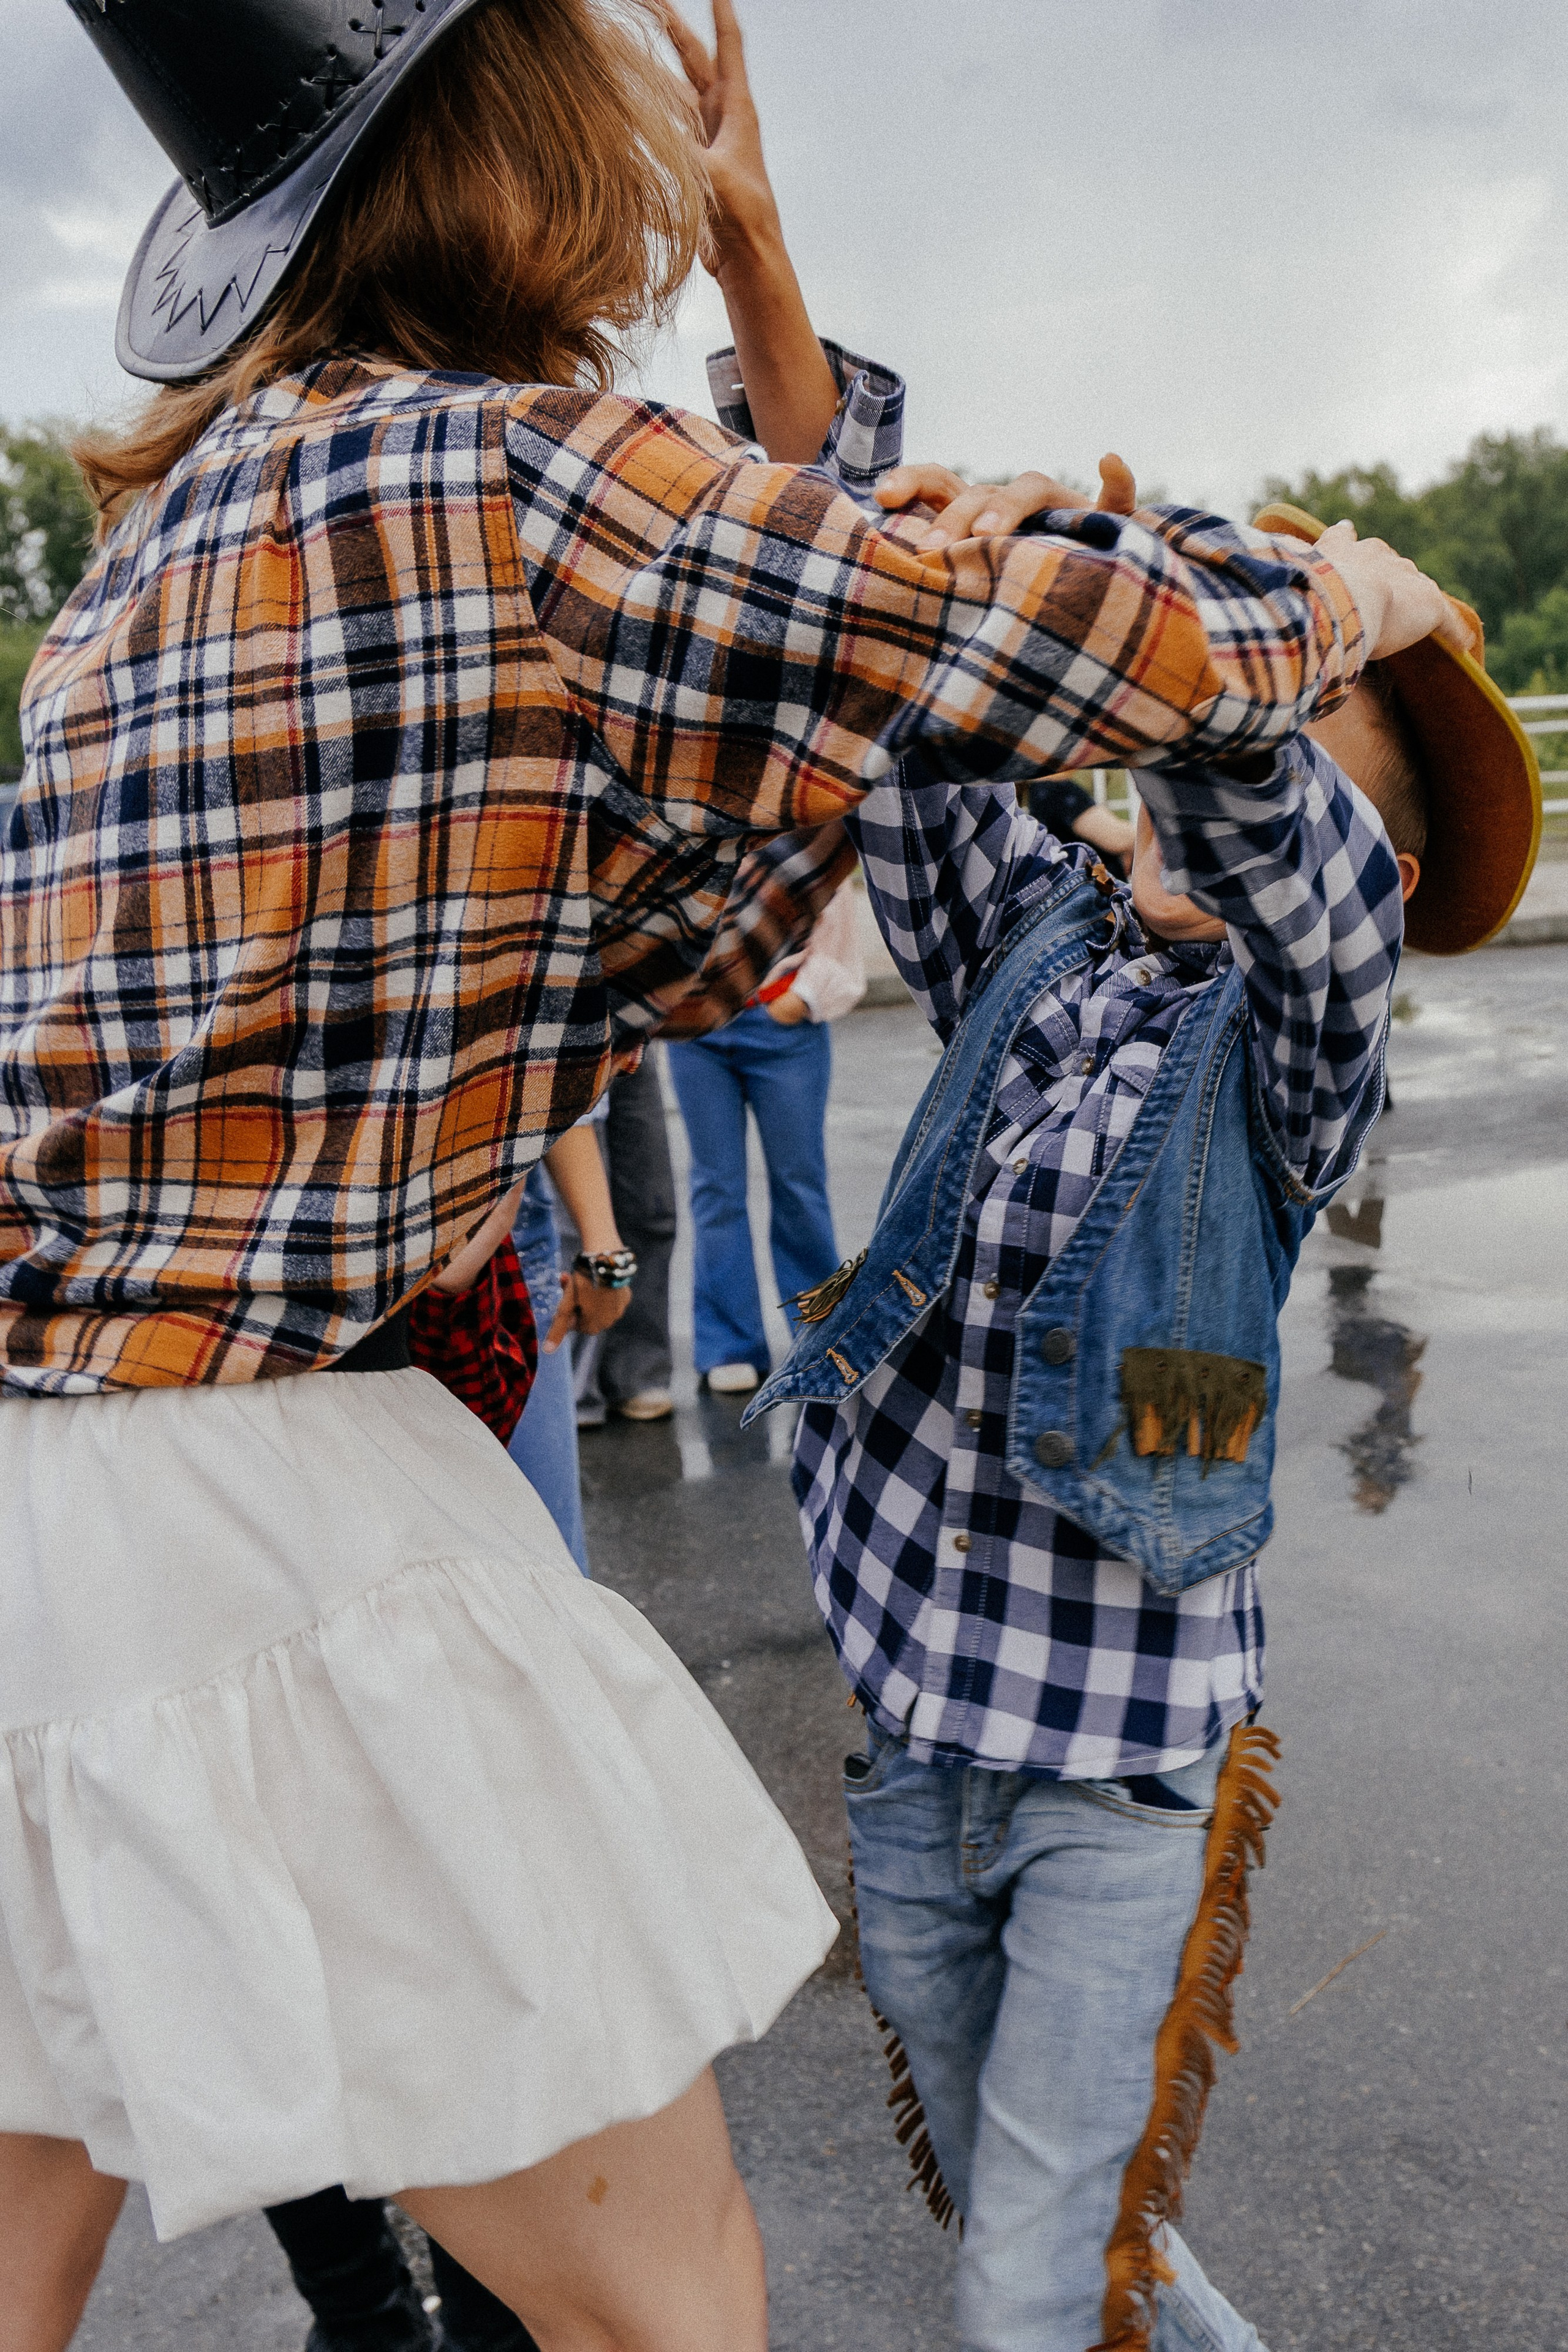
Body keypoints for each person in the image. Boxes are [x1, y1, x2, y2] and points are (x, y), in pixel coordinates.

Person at [0, 0, 1459, 2345]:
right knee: (666, 2299)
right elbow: (1120, 657)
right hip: (268, 1497)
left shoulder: (153, 559)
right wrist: (1360, 595)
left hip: (42, 1514)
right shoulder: (510, 481)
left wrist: (774, 310)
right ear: (515, 127)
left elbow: (734, 838)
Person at [734, 468, 1537, 2350]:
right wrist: (780, 304)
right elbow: (911, 709)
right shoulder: (1042, 955)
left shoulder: (1289, 1049)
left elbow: (1230, 761)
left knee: (1024, 2286)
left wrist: (1276, 598)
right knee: (1083, 2245)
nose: (1188, 773)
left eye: (1300, 745)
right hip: (920, 1749)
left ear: (1374, 884)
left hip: (1110, 1776)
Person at [666, 878, 864, 1394]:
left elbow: (836, 914)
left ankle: (819, 1333)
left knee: (799, 1181)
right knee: (715, 1188)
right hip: (697, 1026)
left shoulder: (796, 829)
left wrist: (800, 996)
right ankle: (729, 1344)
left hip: (783, 1023)